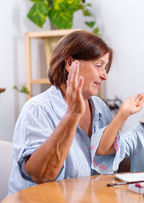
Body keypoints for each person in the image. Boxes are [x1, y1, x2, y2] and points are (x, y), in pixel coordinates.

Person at [8, 30, 117, 194]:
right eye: (99, 65)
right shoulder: (37, 109)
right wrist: (73, 115)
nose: (104, 75)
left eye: (106, 67)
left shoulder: (100, 108)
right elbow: (42, 175)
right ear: (70, 63)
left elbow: (113, 165)